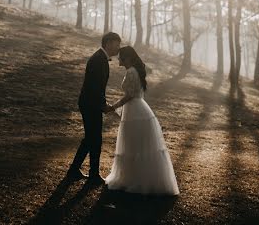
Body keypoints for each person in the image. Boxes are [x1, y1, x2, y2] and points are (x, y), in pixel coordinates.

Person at [105, 46, 179, 196]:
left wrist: (113, 107)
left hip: (135, 111)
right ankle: (134, 178)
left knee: (134, 145)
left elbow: (130, 95)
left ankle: (135, 180)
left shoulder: (131, 72)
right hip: (136, 109)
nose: (118, 59)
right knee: (135, 145)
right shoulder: (133, 71)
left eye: (121, 57)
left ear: (127, 58)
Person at [67, 32, 121, 185]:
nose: (118, 48)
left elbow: (97, 87)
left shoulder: (100, 58)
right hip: (91, 104)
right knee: (95, 139)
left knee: (90, 138)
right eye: (117, 44)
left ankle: (74, 170)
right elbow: (95, 87)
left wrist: (102, 103)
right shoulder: (98, 60)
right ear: (109, 43)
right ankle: (93, 174)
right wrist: (103, 105)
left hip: (90, 103)